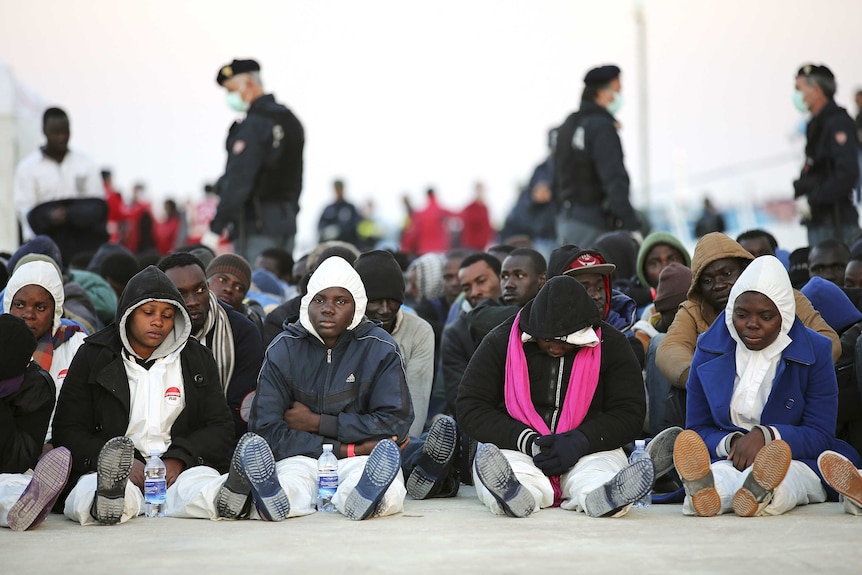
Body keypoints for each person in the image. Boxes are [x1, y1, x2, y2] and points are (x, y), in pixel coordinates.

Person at [669, 256, 860, 517]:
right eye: (741, 314)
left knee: (788, 478)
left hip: (793, 456)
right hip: (728, 455)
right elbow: (698, 428)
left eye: (766, 316)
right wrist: (733, 443)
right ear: (731, 312)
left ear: (784, 314)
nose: (751, 324)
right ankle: (707, 493)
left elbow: (819, 434)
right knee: (721, 475)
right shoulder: (708, 348)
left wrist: (767, 437)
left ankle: (761, 491)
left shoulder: (817, 350)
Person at [457, 276, 653, 518]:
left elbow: (629, 412)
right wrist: (527, 441)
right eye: (548, 339)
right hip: (517, 447)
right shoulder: (501, 341)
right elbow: (471, 405)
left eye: (568, 341)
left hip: (591, 449)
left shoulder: (611, 344)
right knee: (512, 472)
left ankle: (605, 497)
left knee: (598, 475)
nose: (557, 348)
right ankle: (514, 496)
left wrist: (581, 440)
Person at [52, 266, 235, 525]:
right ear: (128, 313)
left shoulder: (196, 358)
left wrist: (180, 459)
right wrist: (119, 464)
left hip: (179, 472)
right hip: (112, 471)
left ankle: (230, 497)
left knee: (201, 488)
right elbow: (68, 429)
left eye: (168, 315)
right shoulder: (93, 355)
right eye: (148, 313)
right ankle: (106, 501)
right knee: (89, 490)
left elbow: (220, 426)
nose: (158, 322)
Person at [244, 256, 413, 521]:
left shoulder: (380, 347)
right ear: (307, 303)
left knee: (385, 491)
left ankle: (361, 500)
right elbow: (266, 430)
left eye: (340, 301)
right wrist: (349, 448)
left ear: (357, 307)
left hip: (360, 462)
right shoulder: (283, 349)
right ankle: (273, 500)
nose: (328, 309)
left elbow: (395, 422)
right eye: (319, 300)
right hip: (303, 456)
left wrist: (317, 423)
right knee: (290, 484)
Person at [656, 233, 840, 429]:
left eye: (727, 274)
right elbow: (670, 349)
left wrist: (790, 374)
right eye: (708, 280)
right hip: (720, 413)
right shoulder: (693, 309)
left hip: (785, 405)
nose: (719, 285)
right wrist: (708, 379)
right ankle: (673, 439)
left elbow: (828, 341)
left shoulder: (784, 298)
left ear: (746, 270)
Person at [205, 59, 305, 262]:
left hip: (257, 227)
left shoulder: (254, 124)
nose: (230, 97)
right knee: (280, 288)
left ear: (249, 84)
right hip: (286, 224)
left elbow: (239, 180)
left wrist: (216, 228)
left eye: (231, 90)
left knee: (255, 290)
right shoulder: (290, 120)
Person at [159, 253, 263, 439]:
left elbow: (240, 411)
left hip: (220, 444)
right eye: (181, 293)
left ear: (207, 287)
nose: (192, 301)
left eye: (200, 290)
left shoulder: (242, 332)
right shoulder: (149, 331)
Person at [3, 256, 88, 445]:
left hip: (64, 444)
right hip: (11, 446)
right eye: (19, 305)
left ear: (55, 311)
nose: (28, 315)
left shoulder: (77, 345)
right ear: (8, 304)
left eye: (40, 307)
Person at [0, 314, 73, 531]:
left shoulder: (37, 388)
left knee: (12, 487)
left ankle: (25, 508)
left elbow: (19, 459)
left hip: (7, 470)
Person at [554, 65, 639, 247]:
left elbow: (555, 174)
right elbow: (614, 179)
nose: (619, 97)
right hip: (593, 224)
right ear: (600, 93)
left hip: (566, 221)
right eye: (616, 91)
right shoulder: (601, 127)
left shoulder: (568, 125)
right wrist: (631, 224)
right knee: (596, 274)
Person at [354, 250, 435, 438]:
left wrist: (403, 446)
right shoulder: (343, 329)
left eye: (392, 301)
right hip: (353, 433)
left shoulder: (419, 331)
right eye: (375, 302)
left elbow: (417, 397)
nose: (384, 310)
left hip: (399, 434)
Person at [13, 107, 107, 265]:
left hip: (83, 250)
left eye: (65, 132)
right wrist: (49, 217)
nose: (61, 137)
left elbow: (98, 206)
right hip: (45, 252)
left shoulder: (85, 163)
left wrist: (71, 214)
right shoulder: (28, 167)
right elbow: (25, 211)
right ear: (44, 131)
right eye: (55, 132)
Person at [793, 64, 861, 246]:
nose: (797, 95)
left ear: (816, 90)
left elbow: (846, 173)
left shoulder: (838, 122)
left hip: (837, 224)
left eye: (799, 89)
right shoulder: (815, 125)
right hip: (819, 222)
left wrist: (813, 199)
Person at [206, 253, 265, 335]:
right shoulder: (188, 313)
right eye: (222, 279)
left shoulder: (248, 327)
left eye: (238, 288)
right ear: (206, 281)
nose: (229, 289)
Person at [400, 188, 455, 256]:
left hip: (423, 250)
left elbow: (413, 233)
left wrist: (405, 248)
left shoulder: (420, 214)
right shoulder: (442, 210)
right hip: (441, 250)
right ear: (435, 194)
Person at [318, 179, 360, 245]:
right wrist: (326, 231)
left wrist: (338, 230)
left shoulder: (350, 207)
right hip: (330, 244)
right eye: (336, 189)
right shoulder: (329, 208)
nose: (338, 192)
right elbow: (320, 225)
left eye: (340, 189)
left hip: (348, 245)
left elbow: (354, 225)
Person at [459, 182, 495, 251]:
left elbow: (488, 225)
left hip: (483, 244)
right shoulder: (470, 207)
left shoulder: (485, 208)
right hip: (472, 244)